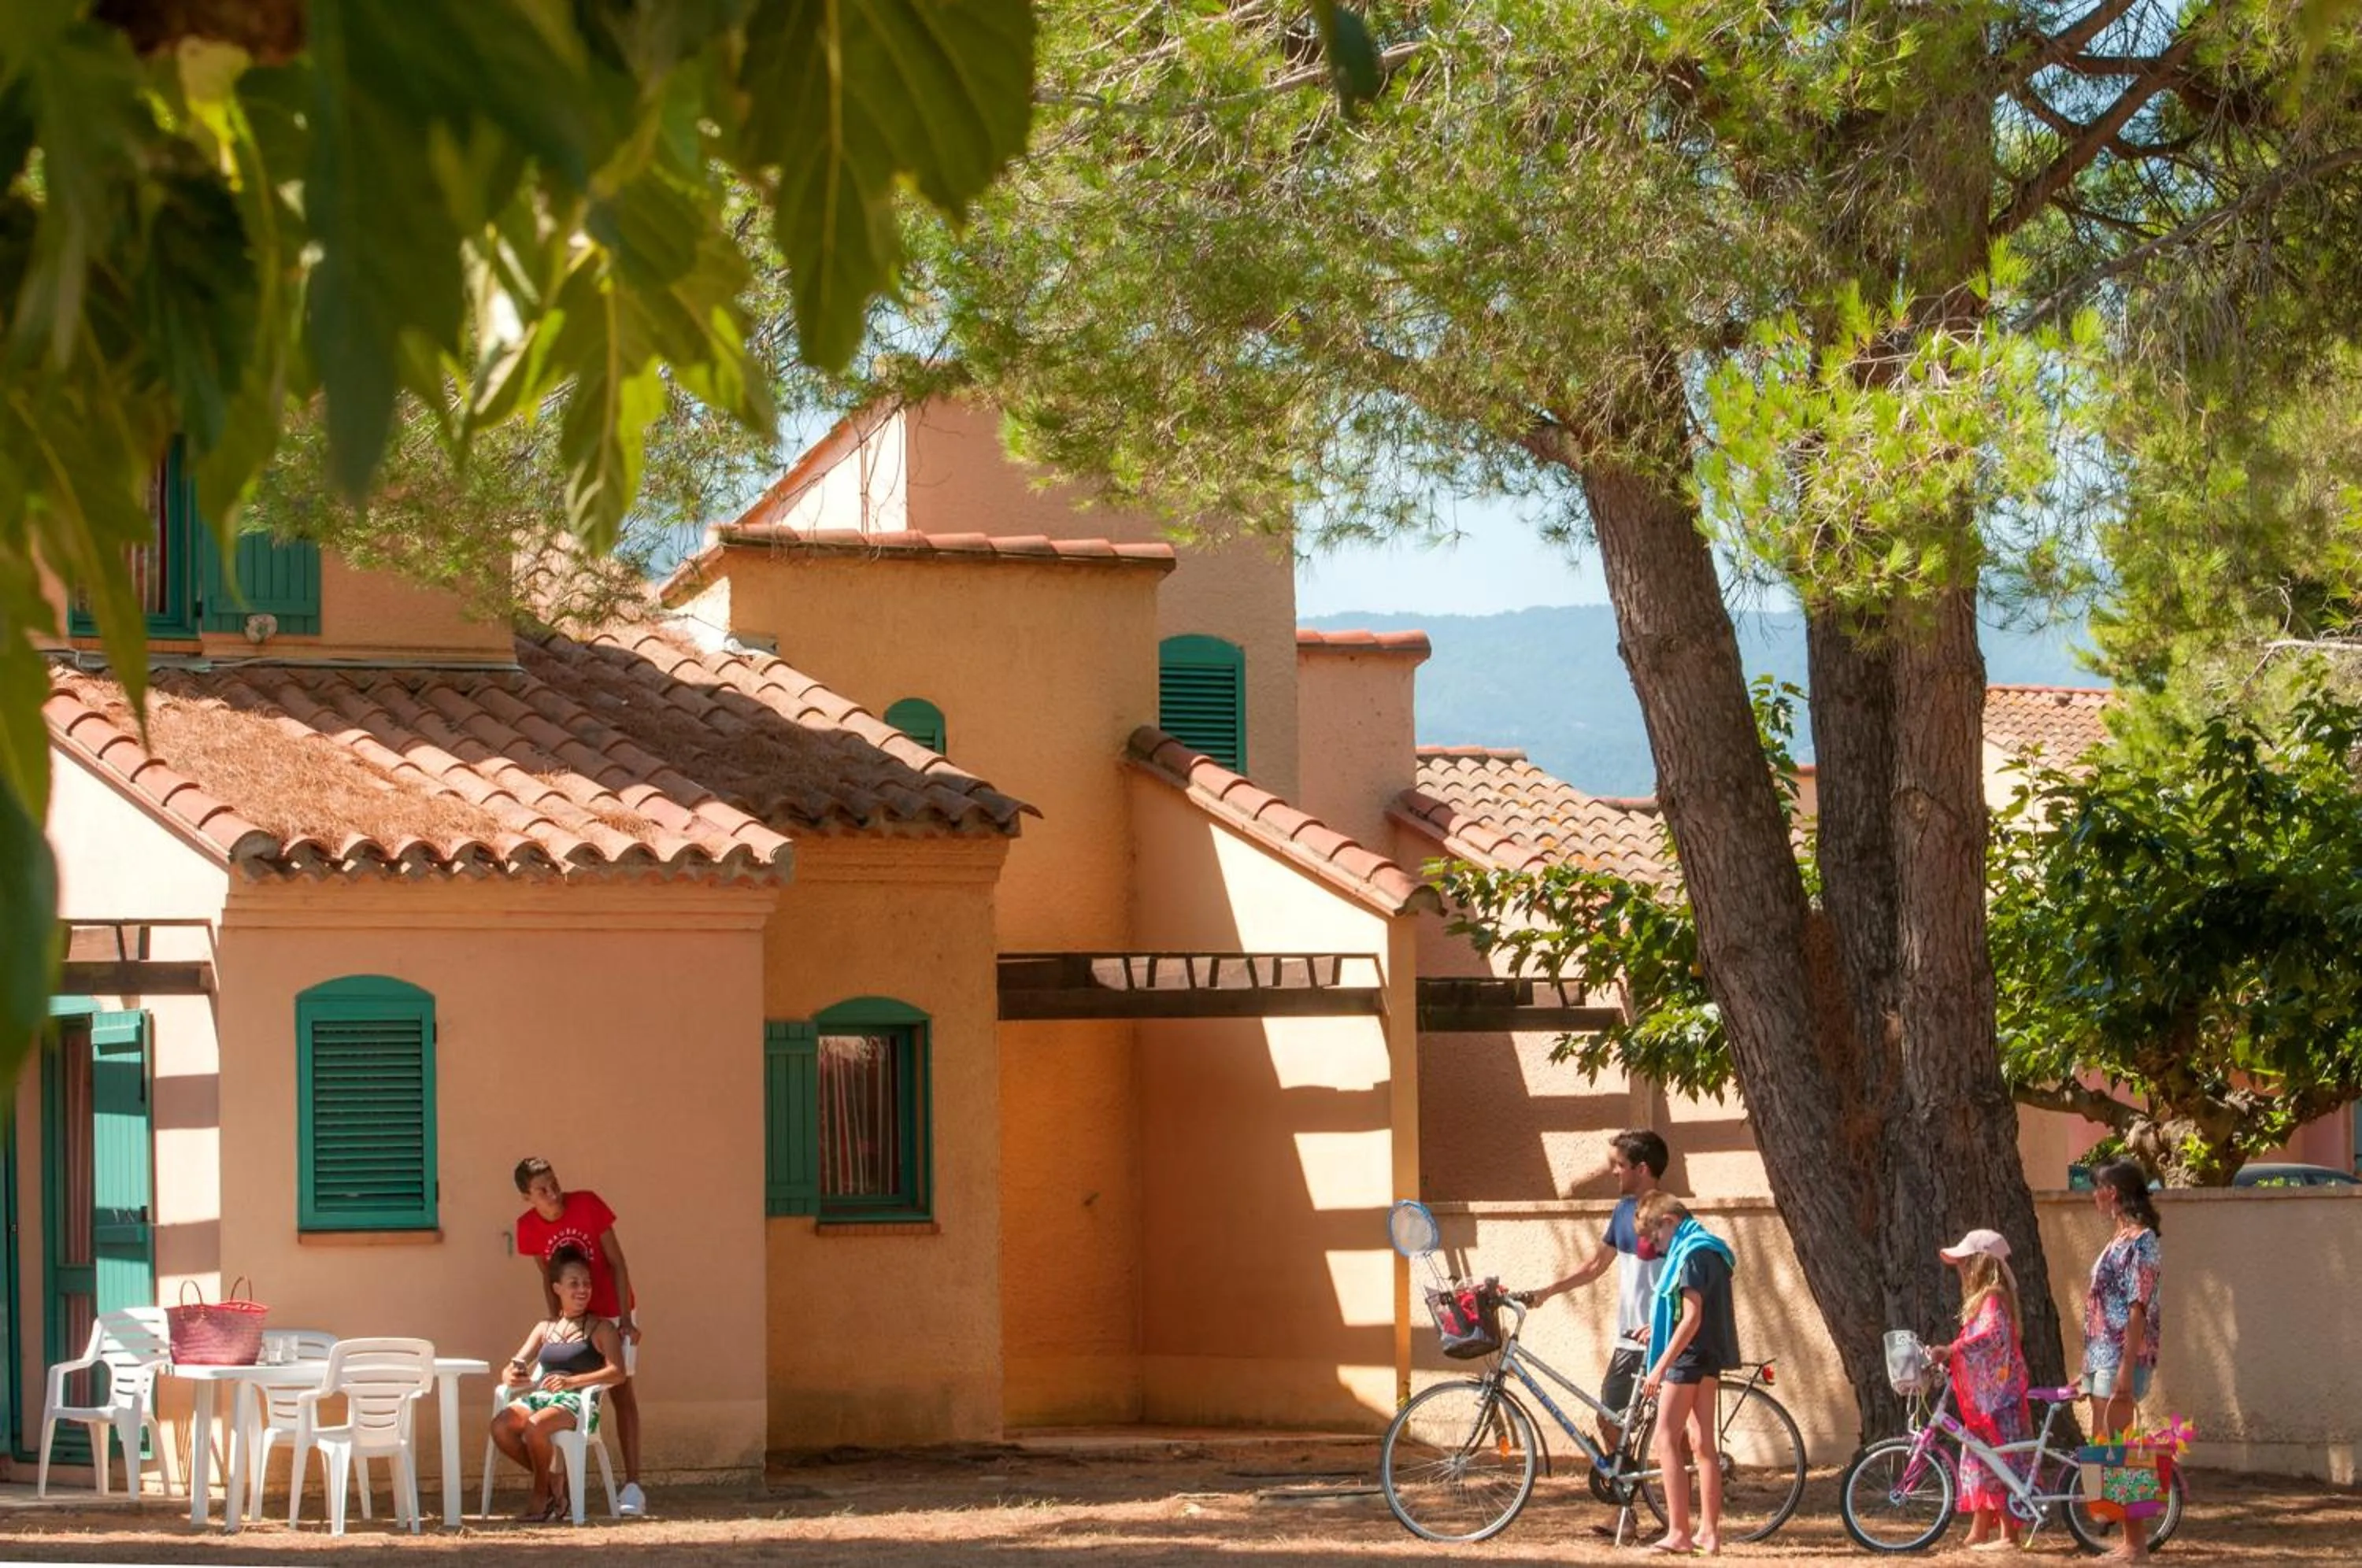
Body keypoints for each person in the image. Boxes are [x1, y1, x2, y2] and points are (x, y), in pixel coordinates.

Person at [1520, 1129, 1669, 1461]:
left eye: (1619, 1165)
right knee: (1610, 1418)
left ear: (1641, 1169)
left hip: (1655, 1337)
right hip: (1628, 1339)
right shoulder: (1622, 1212)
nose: (1614, 1172)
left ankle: (1684, 1505)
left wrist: (1663, 1324)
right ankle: (1627, 1504)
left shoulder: (1668, 1215)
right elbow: (1594, 1266)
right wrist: (1547, 1291)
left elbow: (1685, 1276)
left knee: (1668, 1428)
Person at [514, 1157, 646, 1515]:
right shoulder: (527, 1227)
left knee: (621, 1389)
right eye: (542, 1189)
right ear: (528, 1197)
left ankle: (633, 1484)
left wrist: (624, 1319)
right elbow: (548, 1275)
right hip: (571, 1315)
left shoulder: (588, 1204)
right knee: (568, 1388)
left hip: (610, 1310)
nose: (553, 1192)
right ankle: (561, 1480)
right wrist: (557, 1321)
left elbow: (617, 1262)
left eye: (554, 1182)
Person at [490, 1244, 628, 1522]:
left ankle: (540, 1498)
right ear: (557, 1288)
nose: (583, 1289)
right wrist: (510, 1374)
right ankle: (555, 1484)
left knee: (535, 1426)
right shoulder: (545, 1328)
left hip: (578, 1402)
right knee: (501, 1426)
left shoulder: (602, 1328)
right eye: (574, 1283)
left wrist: (572, 1381)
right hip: (543, 1398)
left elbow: (617, 1373)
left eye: (587, 1283)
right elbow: (515, 1363)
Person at [1636, 1191, 1739, 1558]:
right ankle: (1709, 1535)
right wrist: (1657, 1328)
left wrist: (1661, 1364)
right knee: (1702, 1444)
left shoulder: (1691, 1253)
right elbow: (1693, 1311)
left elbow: (1692, 1316)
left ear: (1669, 1222)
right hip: (1708, 1356)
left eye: (1657, 1237)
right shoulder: (1711, 1249)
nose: (1658, 1247)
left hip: (1688, 1359)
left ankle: (1679, 1532)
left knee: (1666, 1437)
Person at [1927, 1229, 2032, 1552]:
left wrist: (1954, 1349)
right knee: (1979, 1458)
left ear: (1980, 1263)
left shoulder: (1993, 1296)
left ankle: (2008, 1535)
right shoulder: (1987, 1298)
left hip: (1998, 1398)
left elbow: (1990, 1336)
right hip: (1988, 1395)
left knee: (1996, 1460)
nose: (1959, 1269)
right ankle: (1980, 1528)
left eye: (1964, 1262)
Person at [2082, 1159, 2163, 1562]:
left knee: (2120, 1448)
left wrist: (2126, 1371)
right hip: (2102, 1356)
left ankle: (2136, 1546)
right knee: (2105, 1450)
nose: (2093, 1195)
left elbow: (2138, 1307)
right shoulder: (2118, 1239)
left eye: (2096, 1188)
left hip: (2121, 1358)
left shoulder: (2142, 1241)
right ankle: (2123, 1537)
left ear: (2111, 1193)